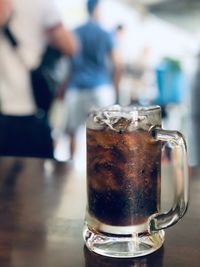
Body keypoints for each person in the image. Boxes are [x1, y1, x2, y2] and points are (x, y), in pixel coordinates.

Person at [0, 0, 77, 158]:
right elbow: (70, 46)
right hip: (31, 112)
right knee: (36, 176)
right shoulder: (42, 3)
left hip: (5, 110)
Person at [64, 0, 121, 159]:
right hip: (100, 87)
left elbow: (67, 66)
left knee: (72, 132)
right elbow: (118, 63)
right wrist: (113, 86)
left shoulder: (74, 32)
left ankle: (70, 165)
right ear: (97, 9)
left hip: (76, 87)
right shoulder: (105, 33)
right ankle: (105, 170)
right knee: (107, 133)